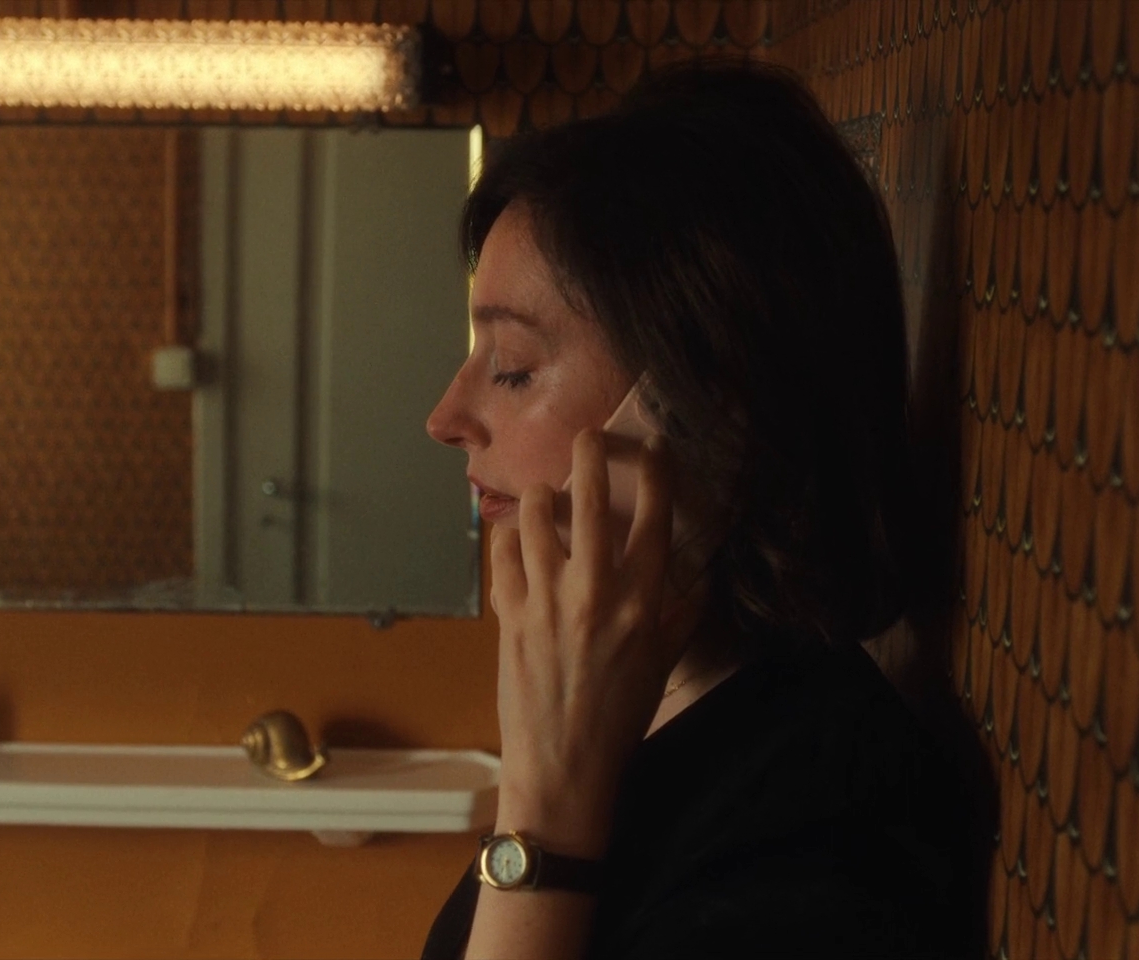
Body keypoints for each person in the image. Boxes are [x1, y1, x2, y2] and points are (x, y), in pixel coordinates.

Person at [421, 60, 982, 959]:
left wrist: (546, 818)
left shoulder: (824, 826)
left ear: (699, 409)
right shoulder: (634, 717)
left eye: (514, 369)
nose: (446, 418)